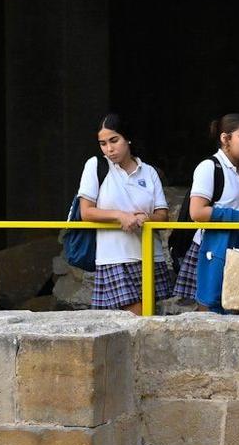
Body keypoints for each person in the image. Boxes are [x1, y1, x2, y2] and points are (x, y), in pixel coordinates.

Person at [73, 114, 170, 311]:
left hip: (149, 255)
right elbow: (86, 212)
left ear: (128, 139)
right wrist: (119, 215)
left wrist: (146, 217)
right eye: (103, 143)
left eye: (114, 140)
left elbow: (162, 214)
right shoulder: (96, 166)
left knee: (147, 321)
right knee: (137, 317)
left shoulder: (149, 171)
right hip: (114, 257)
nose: (109, 148)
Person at [177, 114, 239, 309]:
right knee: (209, 311)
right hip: (212, 250)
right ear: (225, 139)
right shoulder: (209, 167)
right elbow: (197, 212)